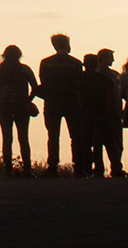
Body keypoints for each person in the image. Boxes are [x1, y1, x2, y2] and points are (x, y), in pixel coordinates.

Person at [38, 34, 88, 176]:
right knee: (76, 135)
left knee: (53, 135)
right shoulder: (76, 63)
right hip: (72, 101)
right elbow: (79, 82)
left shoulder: (46, 63)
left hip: (52, 102)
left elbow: (44, 82)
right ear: (66, 44)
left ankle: (53, 167)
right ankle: (78, 167)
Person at [0, 45, 39, 176]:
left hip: (4, 106)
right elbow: (35, 87)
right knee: (23, 137)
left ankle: (8, 170)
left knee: (6, 138)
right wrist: (28, 100)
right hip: (21, 106)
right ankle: (27, 170)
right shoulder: (25, 70)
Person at [88, 49, 125, 176]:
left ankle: (114, 168)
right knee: (100, 143)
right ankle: (101, 168)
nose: (113, 60)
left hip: (114, 114)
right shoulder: (107, 77)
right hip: (103, 113)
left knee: (116, 143)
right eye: (110, 58)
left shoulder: (115, 75)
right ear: (102, 59)